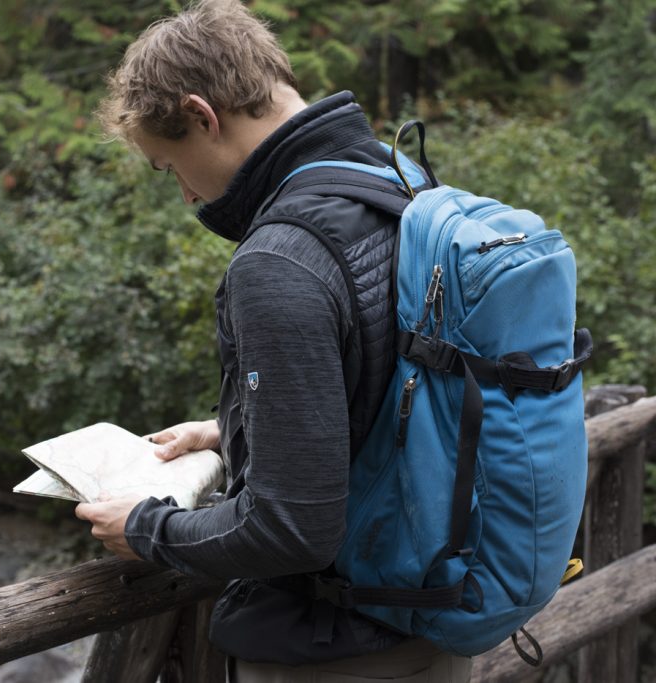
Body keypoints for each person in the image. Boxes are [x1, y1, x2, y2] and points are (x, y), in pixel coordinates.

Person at [74, 1, 473, 680]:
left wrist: (146, 528)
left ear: (203, 116)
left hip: (329, 651)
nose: (185, 196)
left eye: (168, 166)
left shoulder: (280, 259)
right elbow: (398, 397)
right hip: (431, 619)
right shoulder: (402, 185)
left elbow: (292, 529)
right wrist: (234, 429)